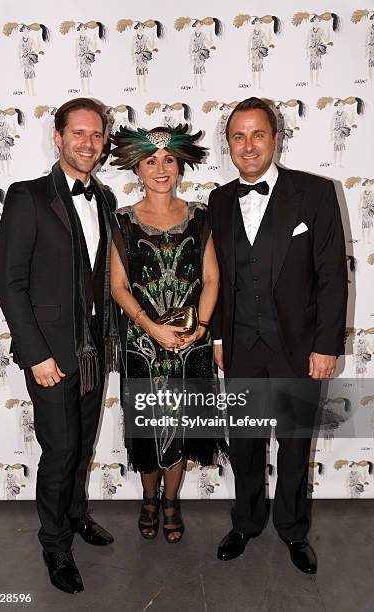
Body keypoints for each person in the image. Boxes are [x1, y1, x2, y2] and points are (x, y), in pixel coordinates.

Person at [208, 97, 347, 574]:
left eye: (258, 134)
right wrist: (219, 340)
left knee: (293, 444)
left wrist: (327, 345)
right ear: (229, 144)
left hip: (299, 347)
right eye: (238, 137)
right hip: (241, 345)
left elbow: (332, 276)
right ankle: (246, 522)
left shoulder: (314, 193)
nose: (248, 146)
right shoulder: (219, 199)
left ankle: (292, 529)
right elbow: (220, 279)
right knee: (243, 442)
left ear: (276, 137)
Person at [0, 97, 117, 594]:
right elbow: (10, 284)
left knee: (83, 444)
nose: (88, 144)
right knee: (60, 448)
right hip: (49, 352)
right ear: (58, 136)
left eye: (96, 135)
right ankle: (54, 542)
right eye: (79, 134)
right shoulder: (27, 196)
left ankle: (77, 515)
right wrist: (36, 354)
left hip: (93, 349)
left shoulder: (105, 200)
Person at [109, 124, 227, 543]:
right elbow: (118, 288)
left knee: (180, 426)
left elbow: (212, 280)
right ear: (137, 168)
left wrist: (201, 328)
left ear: (180, 166)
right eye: (151, 161)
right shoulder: (122, 220)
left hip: (189, 344)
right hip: (143, 344)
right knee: (145, 427)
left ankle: (172, 500)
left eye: (169, 160)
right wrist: (152, 328)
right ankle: (148, 499)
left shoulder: (200, 216)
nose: (160, 168)